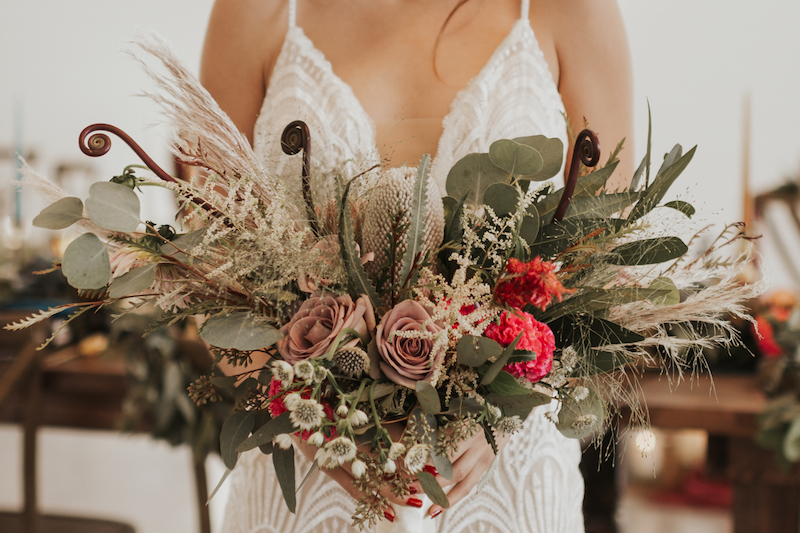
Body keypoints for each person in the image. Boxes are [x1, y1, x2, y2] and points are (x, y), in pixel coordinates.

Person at [200, 0, 633, 531]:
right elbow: (206, 273)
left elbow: (601, 264)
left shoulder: (570, 10)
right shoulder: (255, 11)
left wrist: (507, 405)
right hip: (312, 480)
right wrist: (302, 414)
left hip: (502, 479)